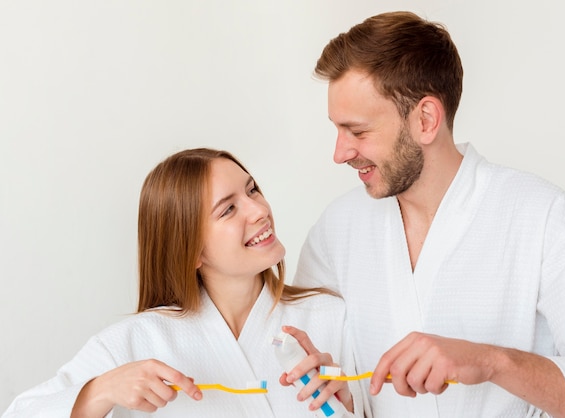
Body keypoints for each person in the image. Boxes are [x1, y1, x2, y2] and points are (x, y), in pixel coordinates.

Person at [293, 11, 565, 418]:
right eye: (338, 130)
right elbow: (329, 379)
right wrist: (341, 401)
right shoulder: (336, 230)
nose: (340, 153)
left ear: (426, 120)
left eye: (358, 132)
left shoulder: (543, 219)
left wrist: (491, 361)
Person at [3, 148, 363, 418]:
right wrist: (99, 392)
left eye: (252, 191)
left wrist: (348, 406)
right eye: (228, 209)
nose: (260, 210)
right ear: (191, 251)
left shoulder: (331, 319)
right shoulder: (137, 343)